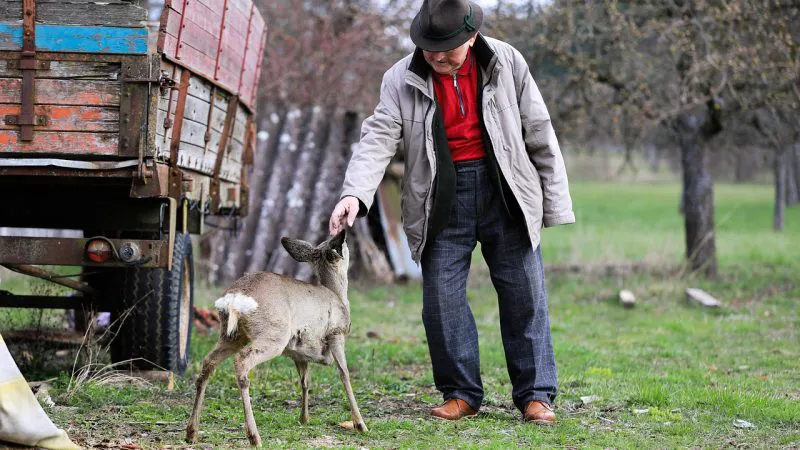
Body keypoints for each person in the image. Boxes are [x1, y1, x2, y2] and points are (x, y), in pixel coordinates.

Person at [329, 0, 574, 424]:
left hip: (506, 191)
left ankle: (535, 395)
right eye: (431, 49)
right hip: (440, 196)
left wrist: (553, 202)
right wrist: (354, 194)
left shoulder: (507, 61)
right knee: (440, 301)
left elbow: (538, 129)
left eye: (449, 50)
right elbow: (378, 137)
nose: (439, 58)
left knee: (525, 296)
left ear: (471, 37)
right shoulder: (399, 78)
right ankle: (460, 392)